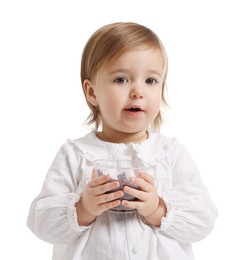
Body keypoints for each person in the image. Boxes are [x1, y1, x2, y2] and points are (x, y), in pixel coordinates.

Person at [27, 22, 218, 260]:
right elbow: (40, 223)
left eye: (150, 81)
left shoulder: (170, 154)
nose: (138, 91)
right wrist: (83, 208)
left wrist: (157, 209)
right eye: (121, 79)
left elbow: (204, 220)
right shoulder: (75, 155)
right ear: (92, 92)